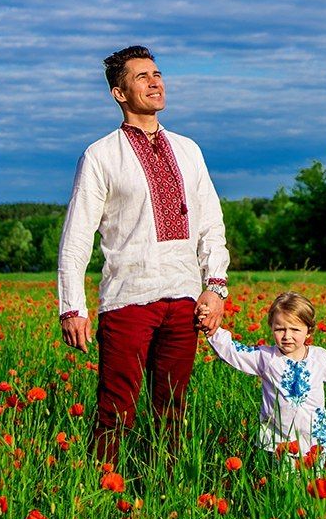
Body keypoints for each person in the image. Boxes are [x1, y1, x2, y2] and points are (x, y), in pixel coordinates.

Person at [58, 46, 230, 465]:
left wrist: (216, 287)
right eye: (142, 77)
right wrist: (71, 307)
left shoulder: (188, 149)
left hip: (184, 297)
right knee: (115, 408)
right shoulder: (101, 155)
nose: (155, 82)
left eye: (157, 74)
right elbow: (76, 237)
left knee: (171, 409)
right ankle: (102, 493)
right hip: (127, 298)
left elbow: (211, 223)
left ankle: (164, 493)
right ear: (119, 93)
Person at [206, 291, 326, 465]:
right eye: (279, 329)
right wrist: (210, 326)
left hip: (314, 442)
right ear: (271, 328)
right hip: (278, 441)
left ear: (308, 331)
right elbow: (233, 351)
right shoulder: (266, 357)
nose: (287, 336)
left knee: (312, 490)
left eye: (295, 329)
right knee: (283, 487)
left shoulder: (319, 358)